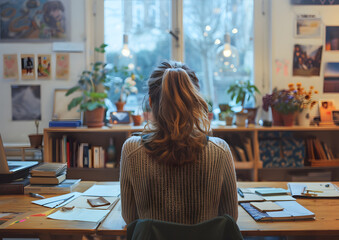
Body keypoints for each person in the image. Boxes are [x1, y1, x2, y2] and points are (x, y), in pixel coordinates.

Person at [120, 60, 238, 225]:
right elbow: (230, 218)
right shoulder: (220, 150)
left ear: (151, 103)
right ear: (195, 101)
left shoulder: (131, 149)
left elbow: (130, 218)